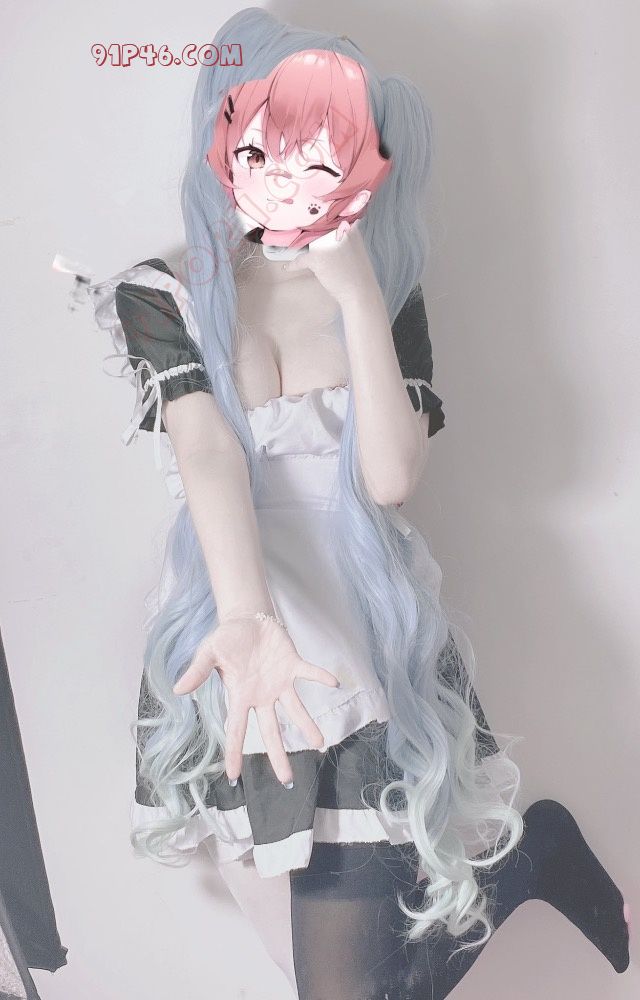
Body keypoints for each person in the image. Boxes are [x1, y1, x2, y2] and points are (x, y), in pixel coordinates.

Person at [88, 10, 630, 998]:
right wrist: (249, 619)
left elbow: (389, 479)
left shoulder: (385, 288)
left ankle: (534, 856)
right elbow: (207, 451)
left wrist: (356, 297)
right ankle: (532, 859)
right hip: (239, 641)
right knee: (321, 975)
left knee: (342, 988)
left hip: (361, 642)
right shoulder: (161, 292)